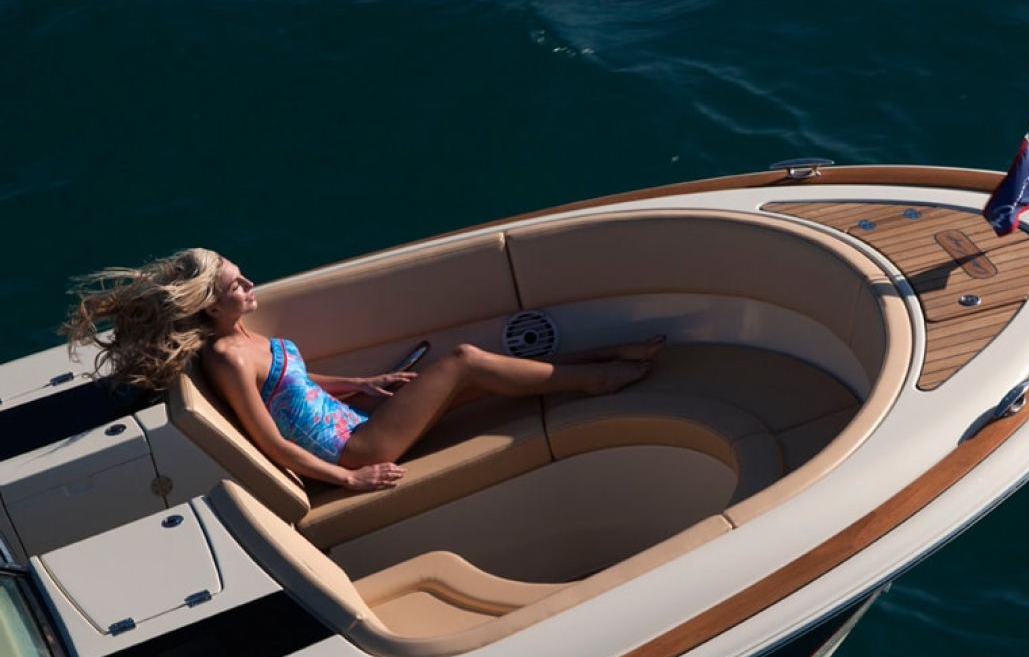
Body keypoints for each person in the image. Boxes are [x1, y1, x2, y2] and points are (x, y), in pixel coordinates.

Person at [64, 247, 661, 492]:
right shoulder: (225, 356)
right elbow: (269, 439)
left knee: (474, 374)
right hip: (351, 447)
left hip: (353, 416)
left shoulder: (246, 335)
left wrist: (363, 383)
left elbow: (294, 384)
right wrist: (351, 479)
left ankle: (592, 362)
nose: (249, 285)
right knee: (463, 361)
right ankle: (598, 378)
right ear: (211, 305)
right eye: (235, 285)